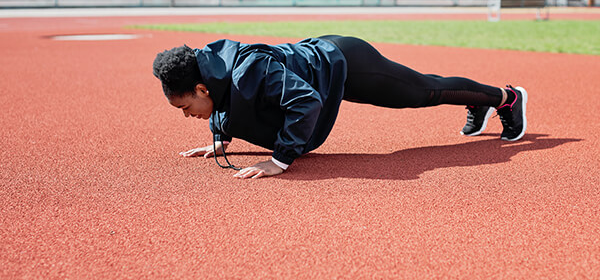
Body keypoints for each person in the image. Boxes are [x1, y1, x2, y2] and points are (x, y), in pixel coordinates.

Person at [153, 35, 527, 179]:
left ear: (201, 87)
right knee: (424, 91)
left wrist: (279, 160)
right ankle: (482, 108)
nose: (189, 115)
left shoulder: (249, 69)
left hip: (343, 63)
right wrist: (220, 138)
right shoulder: (213, 74)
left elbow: (305, 101)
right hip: (321, 70)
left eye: (186, 107)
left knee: (424, 92)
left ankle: (506, 98)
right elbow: (229, 102)